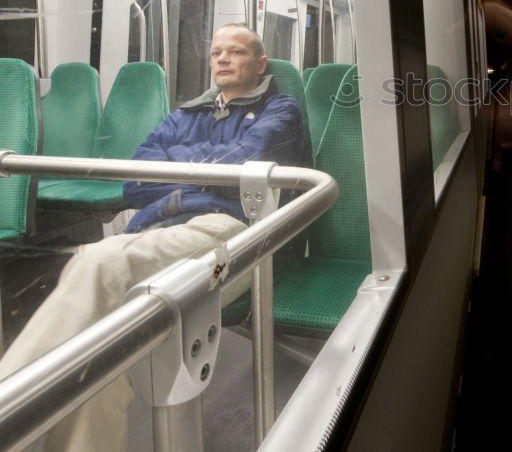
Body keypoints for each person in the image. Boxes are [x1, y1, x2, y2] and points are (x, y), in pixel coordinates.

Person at [0, 23, 308, 452]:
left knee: (101, 262)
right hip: (156, 228)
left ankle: (9, 405)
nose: (221, 59)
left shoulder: (281, 110)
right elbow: (136, 178)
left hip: (229, 239)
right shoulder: (188, 113)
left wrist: (178, 165)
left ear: (260, 64)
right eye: (216, 52)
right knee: (99, 354)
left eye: (234, 53)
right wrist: (202, 177)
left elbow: (245, 162)